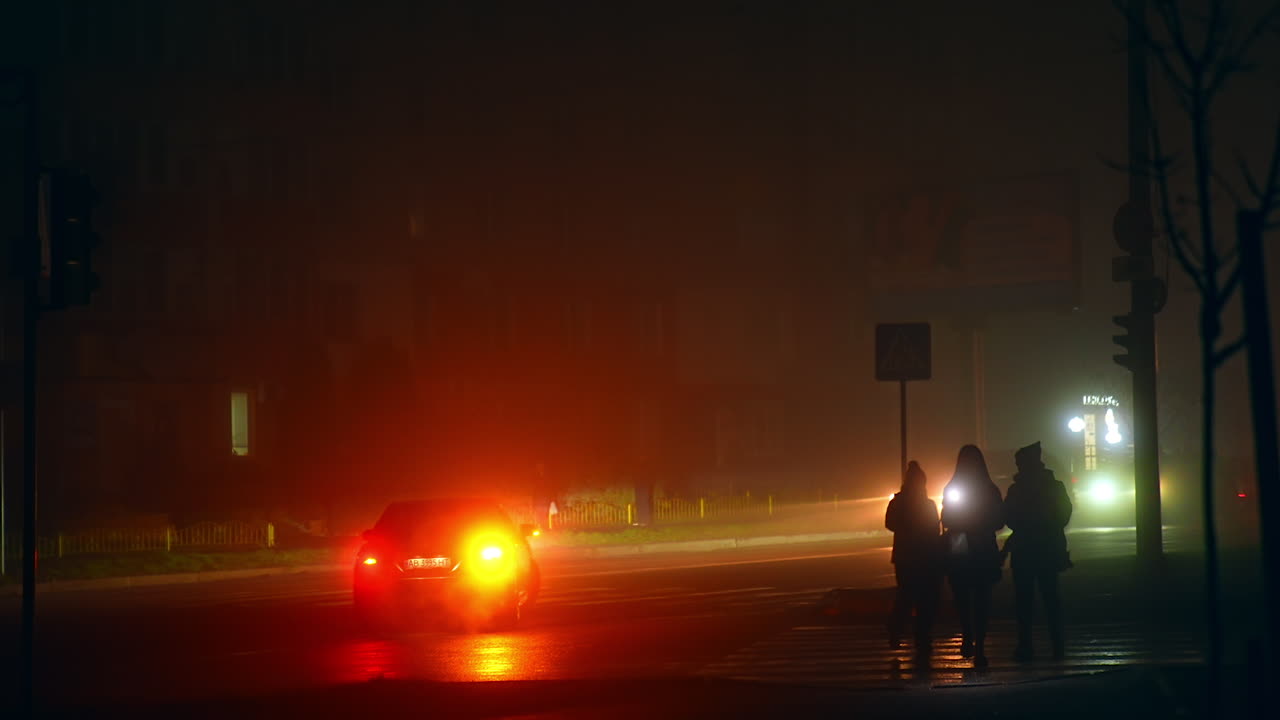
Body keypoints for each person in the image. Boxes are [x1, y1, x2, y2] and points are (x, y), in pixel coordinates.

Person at [1003, 441, 1073, 661]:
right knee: (1050, 597)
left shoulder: (1017, 489)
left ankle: (1026, 645)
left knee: (1024, 600)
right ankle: (1057, 644)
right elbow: (1064, 514)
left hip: (1024, 549)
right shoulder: (1054, 486)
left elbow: (1009, 517)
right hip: (1048, 548)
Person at [940, 444, 1005, 668]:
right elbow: (999, 521)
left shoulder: (953, 488)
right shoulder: (989, 488)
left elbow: (946, 518)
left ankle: (969, 635)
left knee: (963, 597)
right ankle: (978, 645)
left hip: (961, 548)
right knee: (981, 600)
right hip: (983, 547)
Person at [885, 461, 942, 659]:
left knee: (906, 596)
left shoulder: (897, 502)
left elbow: (889, 524)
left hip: (904, 556)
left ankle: (896, 630)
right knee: (925, 598)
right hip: (925, 557)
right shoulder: (928, 505)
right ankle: (922, 636)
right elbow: (935, 531)